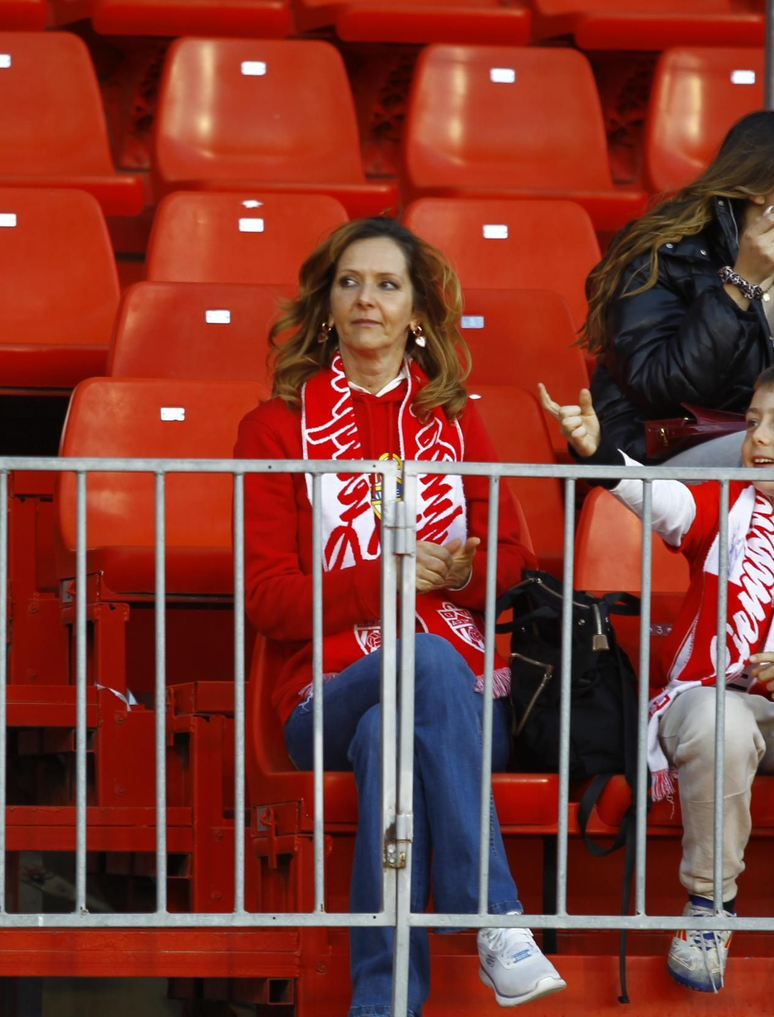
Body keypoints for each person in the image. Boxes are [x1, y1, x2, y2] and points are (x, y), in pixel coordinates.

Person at [235, 217, 565, 1014]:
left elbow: (512, 562)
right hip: (321, 692)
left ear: (417, 311)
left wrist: (463, 572)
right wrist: (388, 575)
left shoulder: (456, 419)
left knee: (395, 740)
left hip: (455, 702)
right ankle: (495, 920)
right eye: (350, 283)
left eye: (387, 285)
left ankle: (382, 1005)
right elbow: (269, 599)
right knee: (427, 661)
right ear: (327, 305)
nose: (367, 300)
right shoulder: (274, 427)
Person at [541, 361, 774, 999]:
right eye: (753, 421)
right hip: (706, 698)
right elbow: (663, 501)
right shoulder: (724, 504)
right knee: (720, 720)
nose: (758, 437)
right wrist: (600, 453)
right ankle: (710, 908)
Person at [577, 110, 774, 469]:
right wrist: (740, 285)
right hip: (657, 457)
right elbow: (657, 388)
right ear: (757, 184)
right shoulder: (667, 257)